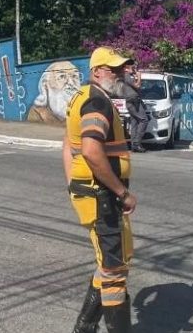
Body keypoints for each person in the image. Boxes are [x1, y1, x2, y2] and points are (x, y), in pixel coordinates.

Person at [64, 46, 137, 333]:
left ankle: (84, 328)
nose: (121, 74)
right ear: (97, 72)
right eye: (114, 69)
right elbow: (92, 151)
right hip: (103, 196)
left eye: (122, 69)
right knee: (115, 271)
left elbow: (68, 144)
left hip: (92, 193)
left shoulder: (82, 96)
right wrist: (122, 192)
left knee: (109, 263)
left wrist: (73, 182)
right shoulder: (98, 103)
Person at [123, 60, 149, 153]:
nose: (134, 69)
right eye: (132, 68)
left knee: (134, 122)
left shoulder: (129, 76)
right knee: (144, 120)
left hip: (133, 101)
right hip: (133, 101)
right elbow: (137, 86)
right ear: (126, 68)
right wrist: (139, 77)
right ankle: (137, 143)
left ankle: (134, 144)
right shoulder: (126, 76)